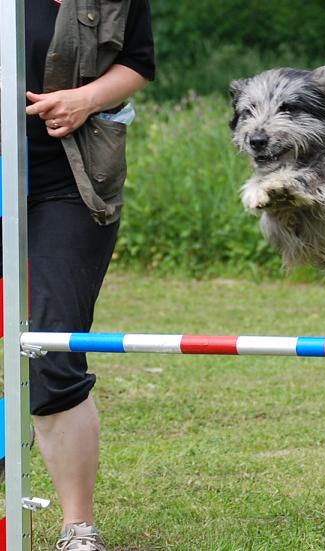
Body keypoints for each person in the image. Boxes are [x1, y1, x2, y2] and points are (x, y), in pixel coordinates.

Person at [15, 0, 155, 549]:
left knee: (54, 349)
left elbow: (137, 62)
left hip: (71, 183)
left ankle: (77, 527)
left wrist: (83, 99)